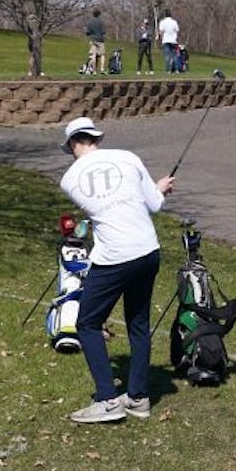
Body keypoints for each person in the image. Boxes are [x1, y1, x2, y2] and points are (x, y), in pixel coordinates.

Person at [58, 116, 175, 424]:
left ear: (72, 144)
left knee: (87, 323)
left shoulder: (68, 180)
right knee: (138, 322)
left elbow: (101, 208)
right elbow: (154, 203)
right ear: (96, 137)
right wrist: (160, 188)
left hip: (114, 257)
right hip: (148, 250)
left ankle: (108, 399)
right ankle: (138, 397)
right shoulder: (129, 157)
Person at [85, 9, 107, 75]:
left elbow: (87, 33)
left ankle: (94, 71)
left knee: (93, 55)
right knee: (102, 54)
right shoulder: (101, 22)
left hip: (93, 40)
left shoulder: (90, 22)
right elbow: (104, 32)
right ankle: (102, 69)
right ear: (99, 14)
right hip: (100, 40)